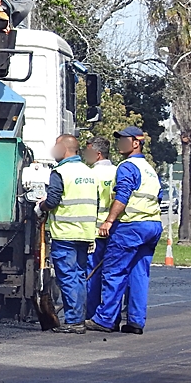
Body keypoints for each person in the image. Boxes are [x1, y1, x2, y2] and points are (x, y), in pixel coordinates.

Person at [85, 126, 165, 334]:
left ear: (136, 143)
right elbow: (158, 197)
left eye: (123, 140)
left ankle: (105, 319)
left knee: (114, 272)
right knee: (139, 274)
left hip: (131, 226)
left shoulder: (127, 166)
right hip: (152, 225)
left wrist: (109, 221)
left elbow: (123, 195)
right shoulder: (149, 169)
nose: (120, 144)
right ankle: (135, 321)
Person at [36, 134, 99, 334]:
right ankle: (78, 317)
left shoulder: (61, 172)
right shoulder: (89, 172)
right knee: (80, 276)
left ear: (64, 148)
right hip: (85, 232)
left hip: (66, 232)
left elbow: (53, 200)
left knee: (68, 277)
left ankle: (73, 321)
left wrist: (40, 207)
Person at [83, 136, 117, 321]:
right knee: (113, 275)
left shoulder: (90, 175)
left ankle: (91, 314)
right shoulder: (118, 171)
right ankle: (112, 315)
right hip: (115, 230)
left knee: (92, 274)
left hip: (95, 231)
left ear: (97, 154)